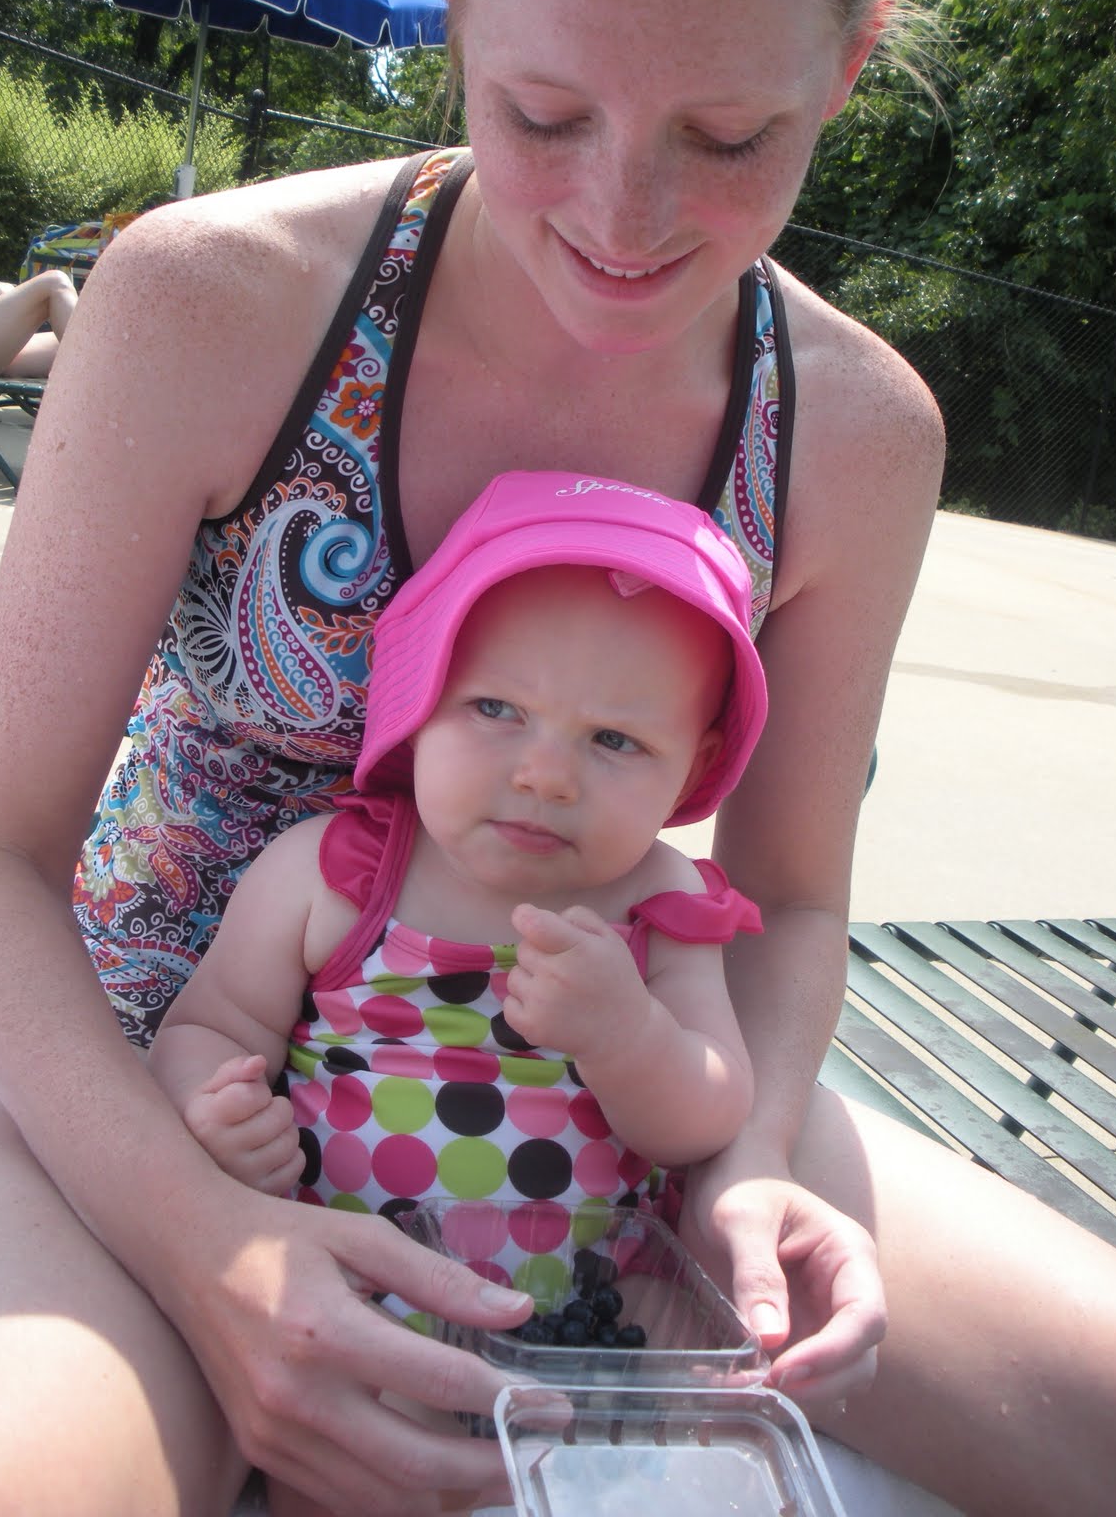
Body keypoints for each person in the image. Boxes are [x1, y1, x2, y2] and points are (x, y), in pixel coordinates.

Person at [0, 0, 1116, 1513]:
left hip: (614, 1079)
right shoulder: (216, 301)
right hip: (158, 1069)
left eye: (730, 136)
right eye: (544, 113)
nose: (621, 218)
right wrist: (199, 1235)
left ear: (851, 58)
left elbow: (788, 898)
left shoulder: (853, 434)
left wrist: (749, 1162)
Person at [148, 475, 766, 1513]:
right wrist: (214, 1107)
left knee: (696, 1396)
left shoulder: (661, 906)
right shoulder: (336, 874)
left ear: (694, 764)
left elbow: (708, 1112)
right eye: (496, 709)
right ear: (417, 698)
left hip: (588, 1306)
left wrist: (627, 1035)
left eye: (615, 740)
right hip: (353, 1294)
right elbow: (207, 1022)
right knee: (348, 1459)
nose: (546, 774)